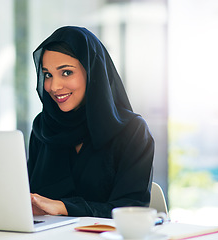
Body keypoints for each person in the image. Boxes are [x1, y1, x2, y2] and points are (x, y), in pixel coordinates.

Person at [27, 26, 154, 218]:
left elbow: (131, 208)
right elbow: (28, 196)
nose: (54, 86)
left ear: (92, 72)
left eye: (66, 73)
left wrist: (64, 207)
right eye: (47, 75)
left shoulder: (132, 131)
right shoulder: (43, 128)